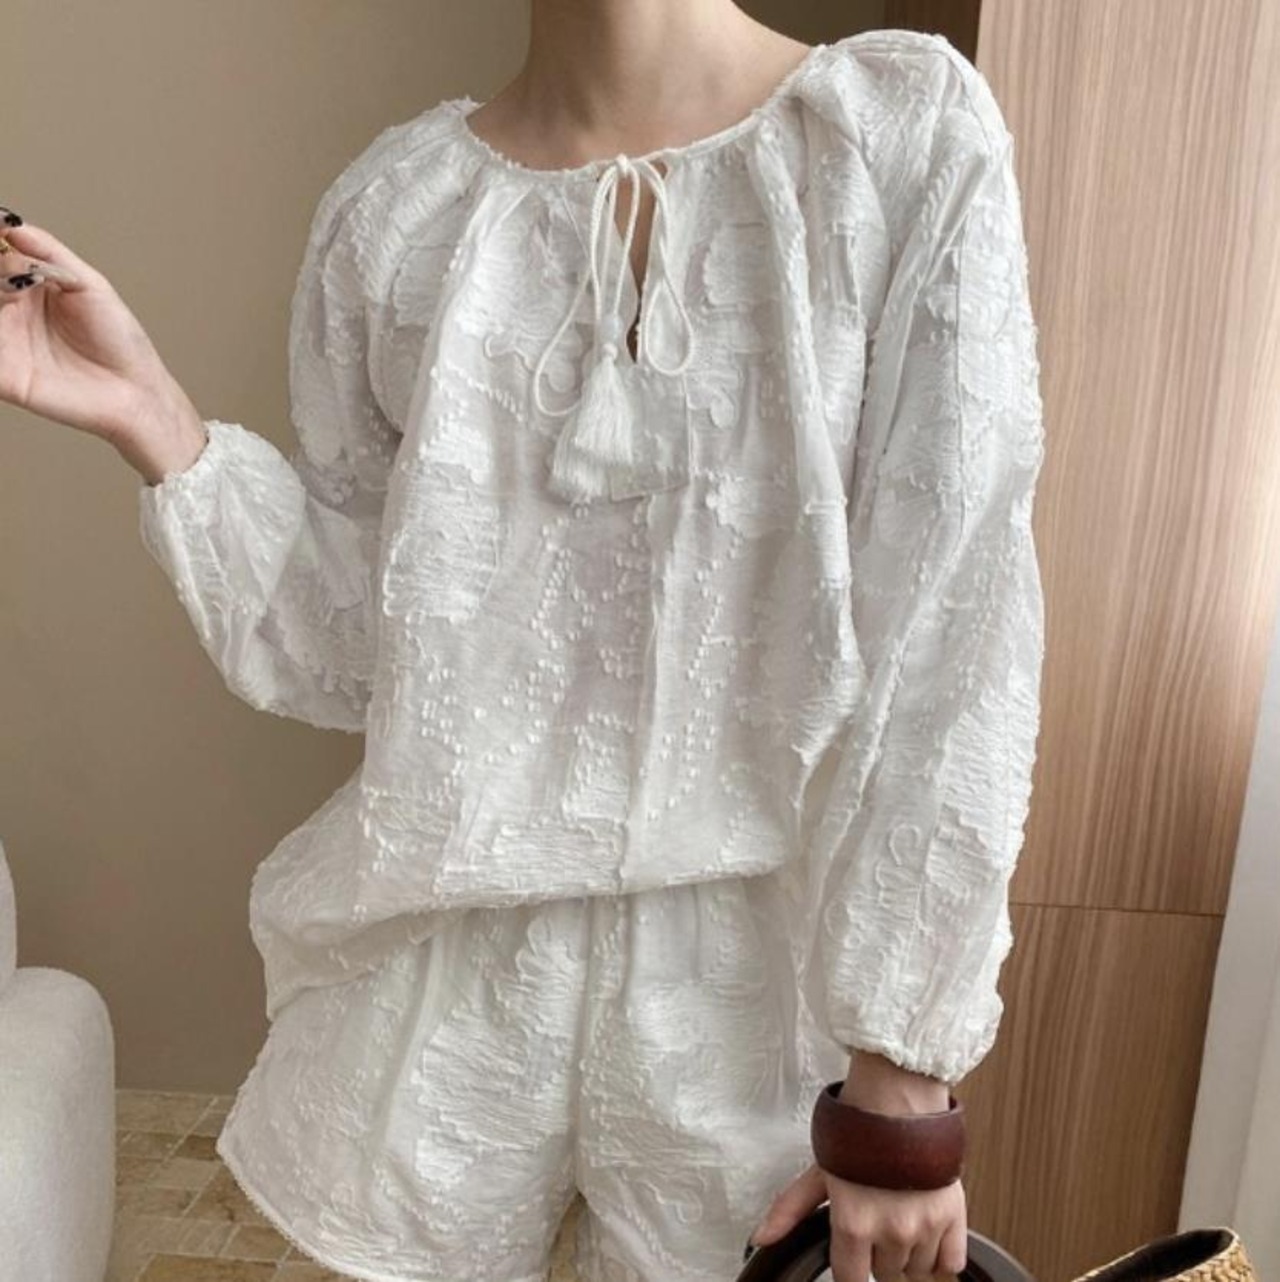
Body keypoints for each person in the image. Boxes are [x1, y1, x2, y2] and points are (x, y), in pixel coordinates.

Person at [0, 4, 1046, 1280]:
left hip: (766, 1004)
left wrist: (900, 1079)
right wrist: (153, 417)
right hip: (443, 992)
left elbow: (955, 623)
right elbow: (360, 649)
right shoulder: (396, 208)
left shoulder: (890, 131)